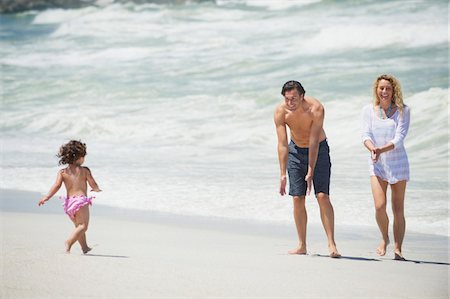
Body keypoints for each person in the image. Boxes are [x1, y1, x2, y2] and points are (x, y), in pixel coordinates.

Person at [274, 80, 340, 258]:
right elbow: (282, 145)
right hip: (296, 152)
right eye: (287, 99)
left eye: (294, 98)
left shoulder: (316, 108)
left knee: (322, 196)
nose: (290, 103)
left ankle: (331, 243)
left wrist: (311, 170)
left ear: (302, 96)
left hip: (319, 149)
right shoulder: (281, 112)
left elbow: (313, 141)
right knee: (297, 198)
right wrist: (282, 174)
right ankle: (302, 245)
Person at [361, 74, 410, 261]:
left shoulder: (403, 111)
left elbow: (399, 138)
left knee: (398, 209)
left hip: (398, 164)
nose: (384, 91)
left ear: (393, 90)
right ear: (376, 90)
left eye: (388, 88)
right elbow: (365, 134)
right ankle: (384, 238)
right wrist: (373, 149)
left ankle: (398, 249)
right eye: (381, 88)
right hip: (377, 163)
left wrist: (381, 149)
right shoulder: (368, 110)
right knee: (380, 206)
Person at [38, 140, 101, 254]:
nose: (84, 159)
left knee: (78, 226)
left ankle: (85, 247)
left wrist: (47, 197)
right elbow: (93, 184)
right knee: (83, 226)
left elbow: (56, 186)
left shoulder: (62, 172)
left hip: (69, 203)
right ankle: (69, 242)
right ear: (79, 157)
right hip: (80, 201)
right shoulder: (84, 170)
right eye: (83, 156)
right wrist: (96, 189)